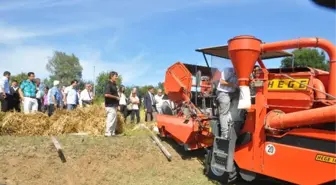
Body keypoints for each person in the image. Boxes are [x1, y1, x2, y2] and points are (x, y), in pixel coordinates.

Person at [104, 71, 120, 137]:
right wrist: (116, 97)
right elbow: (106, 94)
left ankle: (112, 132)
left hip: (114, 105)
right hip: (110, 105)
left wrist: (117, 104)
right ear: (111, 76)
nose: (117, 77)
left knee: (114, 119)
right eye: (115, 76)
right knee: (110, 119)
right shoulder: (109, 84)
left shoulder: (114, 85)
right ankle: (107, 132)